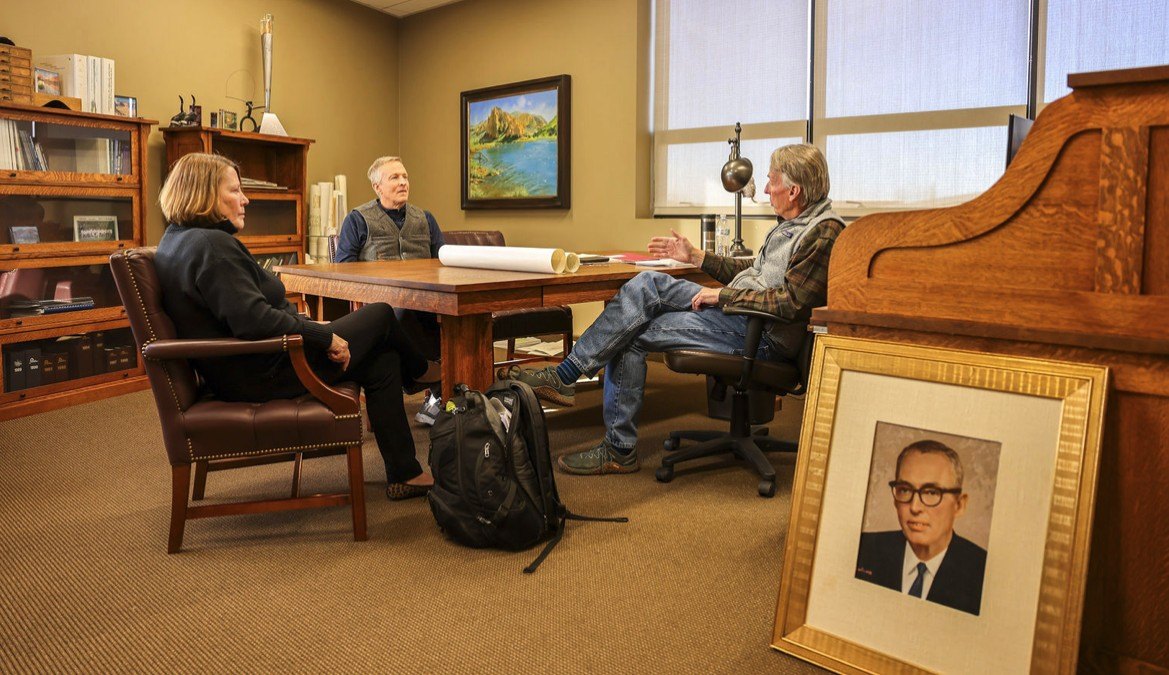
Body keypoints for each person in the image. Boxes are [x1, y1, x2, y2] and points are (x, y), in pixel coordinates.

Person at [508, 143, 845, 475]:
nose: (767, 189)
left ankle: (615, 446)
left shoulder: (823, 232)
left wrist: (723, 297)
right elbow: (756, 271)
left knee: (630, 331)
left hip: (762, 335)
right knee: (648, 283)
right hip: (741, 316)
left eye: (772, 181)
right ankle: (567, 377)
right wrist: (696, 256)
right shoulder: (792, 224)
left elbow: (790, 302)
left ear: (794, 191)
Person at [153, 153, 439, 501]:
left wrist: (311, 326)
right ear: (205, 194)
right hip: (267, 368)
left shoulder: (180, 239)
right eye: (235, 190)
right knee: (380, 314)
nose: (245, 199)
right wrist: (323, 336)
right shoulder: (211, 247)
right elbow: (254, 320)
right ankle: (422, 373)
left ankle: (405, 473)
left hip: (252, 363)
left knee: (383, 360)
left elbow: (248, 314)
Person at [334, 155, 446, 425]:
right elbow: (343, 271)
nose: (403, 182)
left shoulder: (426, 218)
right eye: (394, 177)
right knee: (400, 313)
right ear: (377, 187)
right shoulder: (357, 219)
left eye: (405, 176)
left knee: (459, 318)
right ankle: (434, 381)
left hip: (428, 301)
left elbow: (443, 261)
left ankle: (445, 389)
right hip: (381, 306)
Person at [854, 440, 987, 616]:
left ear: (959, 505)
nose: (915, 507)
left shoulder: (984, 573)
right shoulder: (863, 549)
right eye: (905, 490)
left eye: (931, 492)